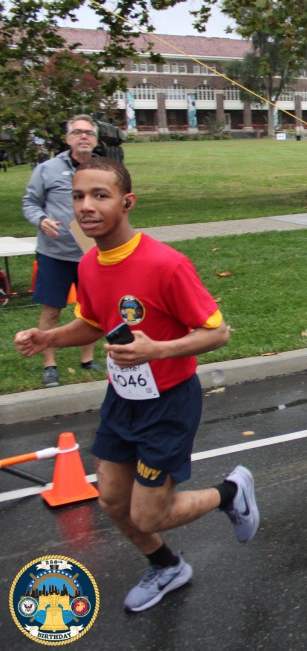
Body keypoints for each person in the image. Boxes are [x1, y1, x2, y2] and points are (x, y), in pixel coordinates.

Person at [13, 157, 259, 613]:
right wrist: (49, 338)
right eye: (79, 196)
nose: (86, 206)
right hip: (123, 398)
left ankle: (231, 492)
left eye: (100, 196)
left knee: (148, 514)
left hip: (169, 402)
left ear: (127, 203)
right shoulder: (89, 264)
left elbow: (218, 332)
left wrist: (158, 350)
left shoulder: (166, 264)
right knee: (111, 500)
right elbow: (92, 322)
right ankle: (167, 566)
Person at [21, 114, 104, 387]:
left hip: (91, 253)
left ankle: (87, 359)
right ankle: (50, 365)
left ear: (96, 140)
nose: (84, 137)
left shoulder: (103, 169)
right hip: (54, 253)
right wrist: (41, 220)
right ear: (68, 139)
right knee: (51, 310)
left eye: (89, 133)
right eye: (78, 132)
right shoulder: (48, 169)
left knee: (91, 310)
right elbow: (30, 202)